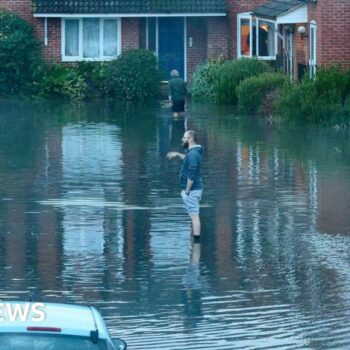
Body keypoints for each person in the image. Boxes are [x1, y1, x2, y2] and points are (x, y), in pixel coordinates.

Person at [167, 130, 203, 239]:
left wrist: (187, 191)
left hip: (192, 190)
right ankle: (196, 241)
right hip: (194, 189)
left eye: (184, 138)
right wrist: (178, 154)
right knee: (193, 214)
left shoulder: (193, 154)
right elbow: (188, 159)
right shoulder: (193, 152)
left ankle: (197, 241)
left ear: (190, 139)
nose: (182, 140)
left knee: (194, 215)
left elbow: (191, 174)